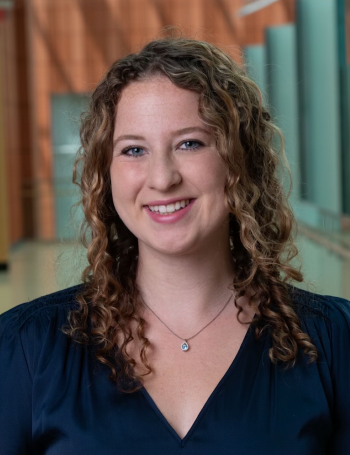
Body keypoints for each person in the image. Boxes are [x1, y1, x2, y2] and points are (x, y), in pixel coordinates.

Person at [1, 36, 350, 455]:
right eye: (133, 150)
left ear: (240, 159)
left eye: (190, 143)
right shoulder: (27, 347)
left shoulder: (333, 340)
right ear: (105, 173)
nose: (162, 178)